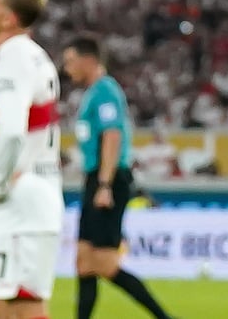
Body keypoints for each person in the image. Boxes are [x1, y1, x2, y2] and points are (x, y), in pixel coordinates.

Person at [62, 35, 174, 319]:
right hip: (97, 177)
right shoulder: (93, 93)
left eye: (71, 61)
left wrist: (104, 184)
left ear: (89, 60)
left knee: (104, 264)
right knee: (83, 261)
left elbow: (112, 136)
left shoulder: (105, 92)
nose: (67, 68)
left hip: (107, 179)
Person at [0, 0, 64, 319]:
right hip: (34, 194)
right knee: (10, 307)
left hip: (19, 199)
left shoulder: (11, 60)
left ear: (9, 17)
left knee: (21, 308)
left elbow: (12, 131)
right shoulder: (35, 56)